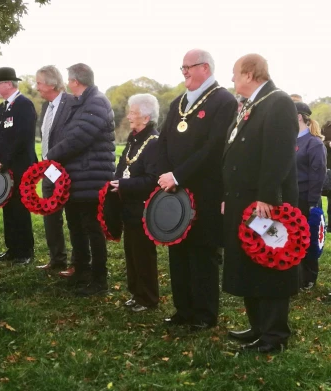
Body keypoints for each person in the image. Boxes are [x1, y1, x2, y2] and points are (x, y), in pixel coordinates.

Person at [223, 54, 299, 353]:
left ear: (250, 73)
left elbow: (279, 154)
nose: (232, 79)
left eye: (235, 73)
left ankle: (274, 335)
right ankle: (258, 327)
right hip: (244, 201)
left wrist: (267, 196)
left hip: (266, 204)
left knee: (270, 264)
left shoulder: (278, 102)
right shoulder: (252, 104)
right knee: (249, 264)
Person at [157, 49, 237, 330]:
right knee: (177, 250)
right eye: (182, 69)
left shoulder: (224, 101)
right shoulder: (178, 101)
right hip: (173, 190)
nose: (184, 73)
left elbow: (214, 148)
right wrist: (165, 174)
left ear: (205, 67)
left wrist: (178, 174)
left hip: (205, 191)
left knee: (202, 254)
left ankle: (204, 314)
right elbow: (164, 140)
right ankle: (183, 310)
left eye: (187, 67)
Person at [47, 63, 115, 297]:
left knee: (92, 229)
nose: (67, 83)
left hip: (92, 177)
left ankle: (99, 280)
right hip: (77, 178)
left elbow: (78, 138)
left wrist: (51, 155)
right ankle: (82, 271)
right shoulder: (79, 103)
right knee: (76, 226)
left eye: (69, 79)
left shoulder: (96, 102)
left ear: (75, 81)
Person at [110, 94, 160, 312]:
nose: (128, 116)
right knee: (130, 251)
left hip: (143, 207)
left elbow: (152, 180)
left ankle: (148, 298)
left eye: (133, 112)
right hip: (128, 205)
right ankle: (135, 293)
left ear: (146, 118)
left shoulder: (154, 143)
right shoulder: (134, 138)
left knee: (143, 253)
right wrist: (115, 180)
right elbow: (123, 167)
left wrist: (122, 184)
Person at [0, 67, 37, 265]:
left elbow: (22, 139)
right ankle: (12, 248)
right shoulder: (2, 109)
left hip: (20, 166)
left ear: (9, 84)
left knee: (20, 207)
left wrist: (5, 160)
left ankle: (25, 251)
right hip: (3, 166)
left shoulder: (24, 105)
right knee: (7, 206)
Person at [35, 65, 76, 274]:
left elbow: (72, 139)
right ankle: (57, 259)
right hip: (48, 170)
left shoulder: (72, 104)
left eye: (39, 83)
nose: (37, 87)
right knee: (50, 215)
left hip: (67, 169)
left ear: (51, 84)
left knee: (74, 217)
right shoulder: (46, 107)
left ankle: (77, 264)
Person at [295, 102, 326, 290]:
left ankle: (309, 277)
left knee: (309, 238)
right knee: (295, 237)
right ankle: (296, 276)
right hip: (292, 196)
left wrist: (313, 202)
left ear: (299, 116)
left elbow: (318, 174)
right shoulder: (291, 140)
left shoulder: (314, 143)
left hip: (307, 197)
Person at [321, 121, 331, 227]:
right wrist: (328, 144)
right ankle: (330, 226)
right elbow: (319, 141)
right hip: (329, 168)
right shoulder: (326, 127)